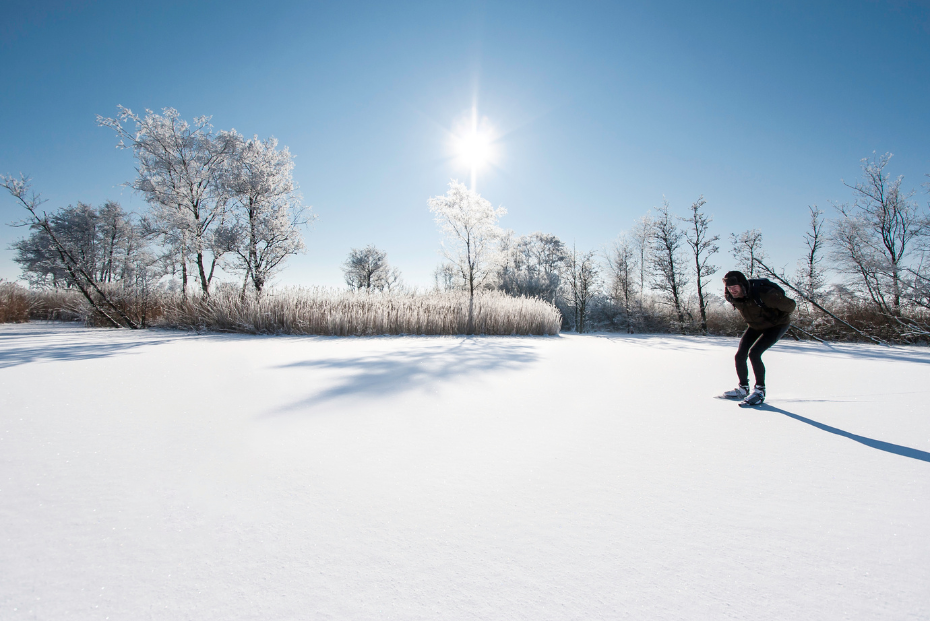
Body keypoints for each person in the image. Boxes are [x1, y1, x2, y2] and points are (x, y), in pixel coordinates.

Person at [721, 270, 796, 406]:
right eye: (729, 287)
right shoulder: (731, 297)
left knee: (754, 354)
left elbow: (791, 306)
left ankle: (759, 391)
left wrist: (776, 311)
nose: (732, 290)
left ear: (742, 285)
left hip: (776, 325)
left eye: (735, 287)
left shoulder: (765, 294)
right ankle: (743, 389)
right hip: (755, 326)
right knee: (740, 355)